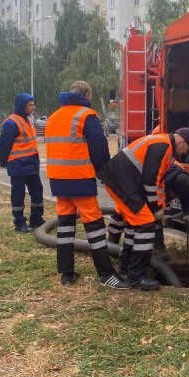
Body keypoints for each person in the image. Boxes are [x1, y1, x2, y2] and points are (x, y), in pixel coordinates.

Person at [45, 81, 130, 289]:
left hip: (58, 180)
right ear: (87, 94)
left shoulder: (54, 116)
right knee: (95, 228)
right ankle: (106, 274)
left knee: (65, 227)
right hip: (80, 180)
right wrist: (106, 173)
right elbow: (99, 149)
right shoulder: (86, 116)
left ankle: (66, 273)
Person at [98, 127, 189, 290]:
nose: (184, 153)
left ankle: (126, 268)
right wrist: (156, 210)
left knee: (134, 226)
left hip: (122, 181)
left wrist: (160, 207)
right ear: (182, 141)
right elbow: (150, 183)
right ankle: (136, 276)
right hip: (124, 183)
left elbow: (157, 183)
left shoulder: (164, 146)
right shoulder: (163, 145)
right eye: (186, 149)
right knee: (146, 225)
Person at [0, 92, 45, 233]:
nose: (33, 107)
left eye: (33, 104)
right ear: (22, 106)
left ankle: (36, 219)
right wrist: (4, 162)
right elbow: (2, 145)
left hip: (31, 164)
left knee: (37, 192)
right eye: (30, 105)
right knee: (18, 195)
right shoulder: (12, 123)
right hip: (18, 165)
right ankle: (19, 223)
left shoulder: (27, 120)